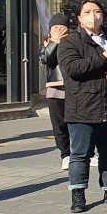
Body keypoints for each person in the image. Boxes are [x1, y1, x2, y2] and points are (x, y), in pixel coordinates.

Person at [57, 0, 107, 213]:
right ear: (79, 18)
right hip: (83, 106)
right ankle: (78, 193)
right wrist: (102, 59)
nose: (94, 15)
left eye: (98, 11)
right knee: (81, 153)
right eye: (88, 12)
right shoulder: (70, 41)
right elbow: (72, 68)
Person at [39, 13, 70, 167]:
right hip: (55, 88)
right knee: (59, 124)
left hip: (73, 87)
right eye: (54, 28)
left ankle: (87, 153)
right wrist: (55, 42)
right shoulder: (46, 44)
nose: (58, 31)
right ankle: (65, 154)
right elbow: (46, 59)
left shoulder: (74, 41)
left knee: (78, 122)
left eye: (61, 28)